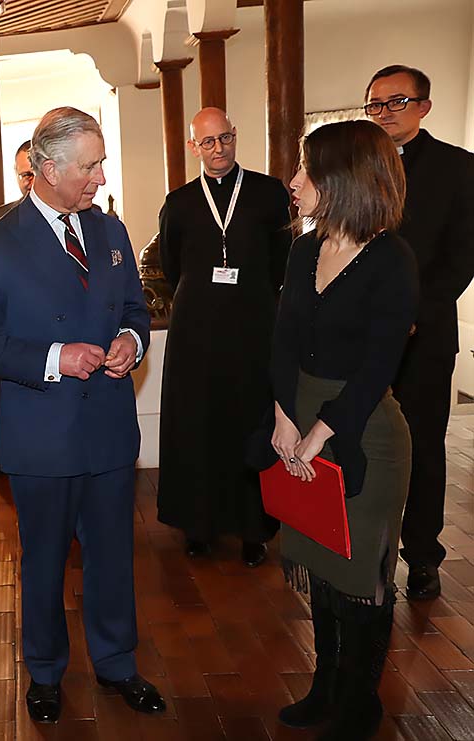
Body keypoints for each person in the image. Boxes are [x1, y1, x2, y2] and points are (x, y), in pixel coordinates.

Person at [0, 107, 162, 724]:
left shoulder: (110, 231)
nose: (100, 177)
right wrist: (56, 358)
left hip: (108, 430)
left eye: (101, 163)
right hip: (43, 437)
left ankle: (117, 663)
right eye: (89, 166)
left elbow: (135, 308)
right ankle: (45, 672)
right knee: (44, 562)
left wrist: (132, 340)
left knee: (113, 557)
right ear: (48, 169)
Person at [263, 120, 415, 741]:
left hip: (363, 429)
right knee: (320, 565)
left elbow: (380, 364)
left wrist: (322, 431)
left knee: (361, 578)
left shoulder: (392, 260)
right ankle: (324, 687)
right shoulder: (304, 250)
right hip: (298, 417)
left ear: (346, 180)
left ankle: (359, 701)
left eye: (308, 170)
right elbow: (282, 341)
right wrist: (283, 415)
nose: (295, 181)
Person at [156, 107, 291, 566]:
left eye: (226, 138)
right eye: (209, 142)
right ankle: (199, 525)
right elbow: (172, 267)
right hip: (195, 332)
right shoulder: (179, 202)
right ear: (194, 147)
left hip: (254, 328)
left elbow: (282, 260)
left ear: (235, 135)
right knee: (197, 425)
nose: (219, 149)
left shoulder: (268, 193)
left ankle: (254, 528)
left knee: (251, 421)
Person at [363, 65, 474, 601]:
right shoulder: (361, 165)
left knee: (424, 447)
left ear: (424, 106)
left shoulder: (459, 167)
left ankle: (423, 556)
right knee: (365, 443)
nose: (385, 112)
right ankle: (370, 553)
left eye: (397, 101)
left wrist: (415, 313)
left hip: (424, 334)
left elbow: (462, 256)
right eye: (376, 104)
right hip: (363, 334)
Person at [0, 139, 33, 230]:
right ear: (16, 173)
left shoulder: (60, 217)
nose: (35, 182)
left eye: (40, 175)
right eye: (27, 175)